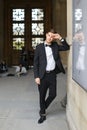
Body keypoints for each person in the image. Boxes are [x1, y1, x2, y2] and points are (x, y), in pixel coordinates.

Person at [34, 31, 70, 124]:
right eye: (49, 35)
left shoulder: (55, 46)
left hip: (52, 75)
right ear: (46, 35)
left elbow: (67, 47)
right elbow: (36, 63)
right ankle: (42, 114)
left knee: (53, 94)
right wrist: (36, 76)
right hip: (42, 76)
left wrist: (60, 38)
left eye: (52, 36)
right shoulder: (39, 47)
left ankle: (43, 107)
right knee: (42, 96)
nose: (50, 37)